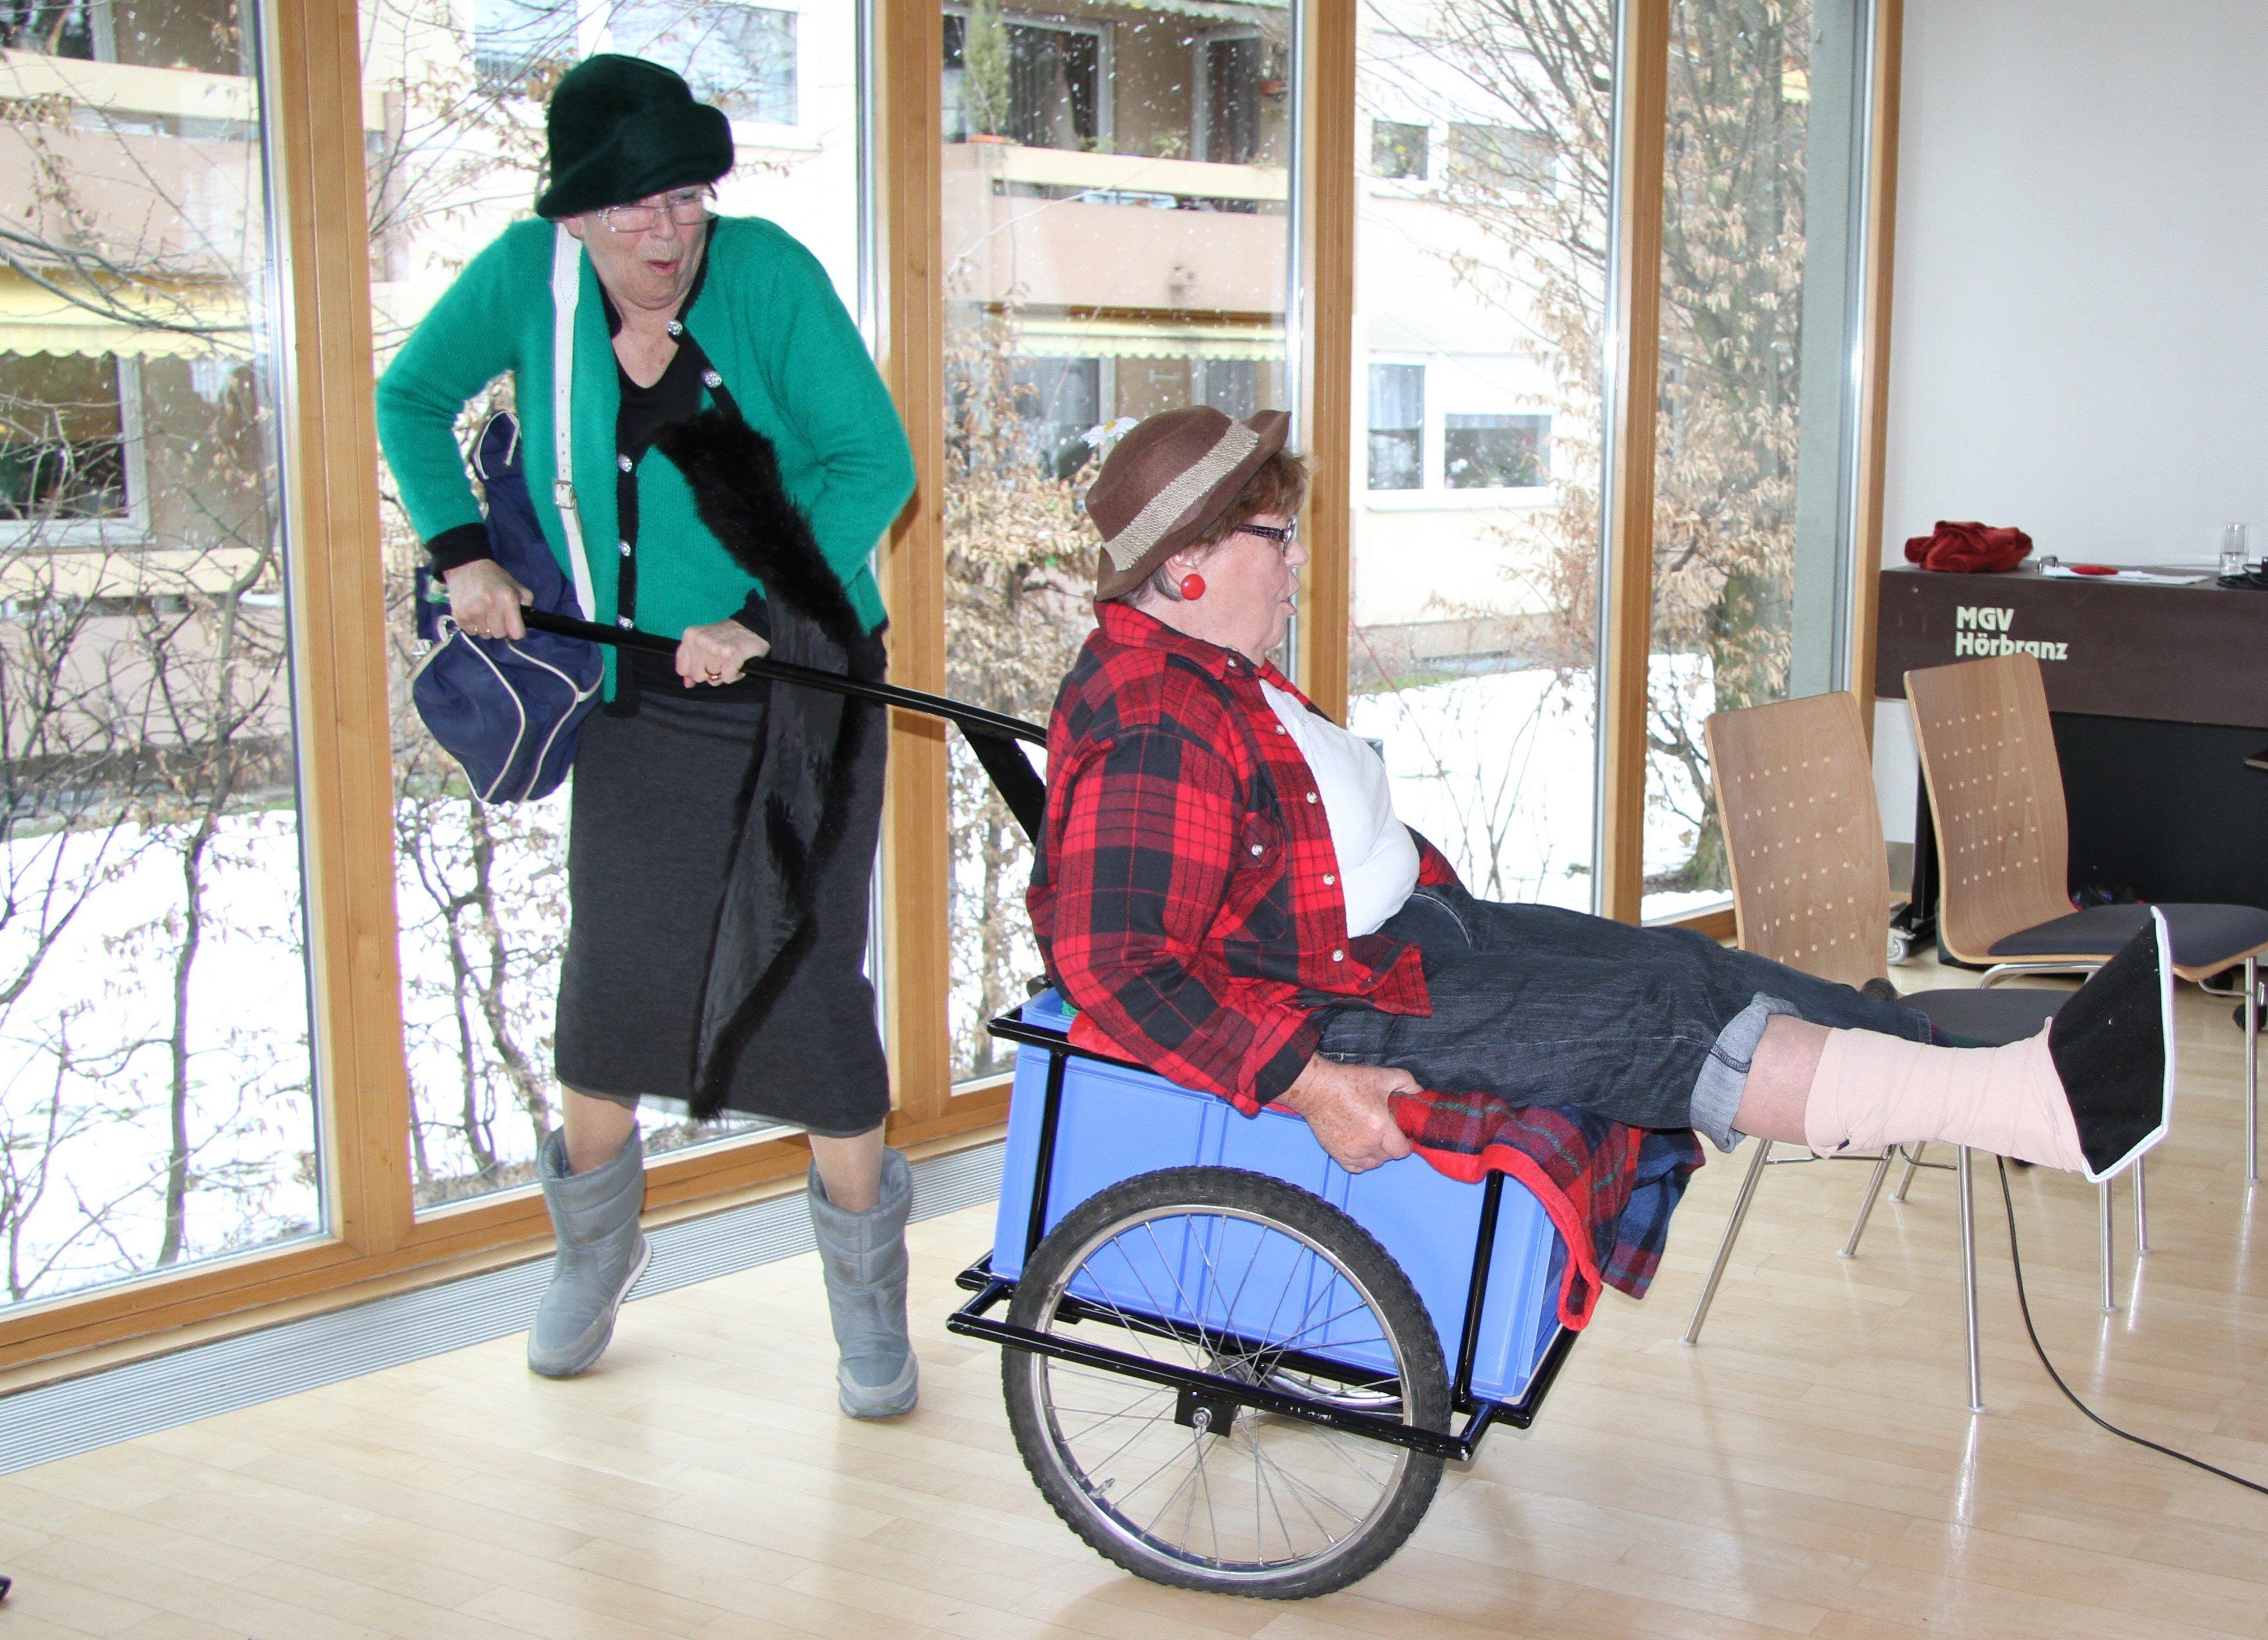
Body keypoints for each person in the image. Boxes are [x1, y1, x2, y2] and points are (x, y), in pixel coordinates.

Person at [1028, 407, 2172, 1199]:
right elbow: (1115, 963)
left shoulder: (1215, 669)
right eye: (1276, 538)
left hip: (1409, 944)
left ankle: (1993, 1068)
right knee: (1663, 1023)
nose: (1295, 562)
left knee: (1688, 966)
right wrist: (1314, 1086)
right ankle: (2023, 1103)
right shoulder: (1155, 719)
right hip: (1335, 1009)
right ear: (1185, 563)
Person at [376, 55, 921, 1417]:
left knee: (808, 981)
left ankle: (867, 1296)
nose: (668, 231)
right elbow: (410, 398)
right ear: (573, 213)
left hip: (802, 680)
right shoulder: (531, 280)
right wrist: (461, 551)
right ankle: (594, 1253)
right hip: (638, 697)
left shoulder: (768, 275)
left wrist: (758, 612)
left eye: (685, 198)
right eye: (633, 208)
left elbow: (876, 464)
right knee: (613, 981)